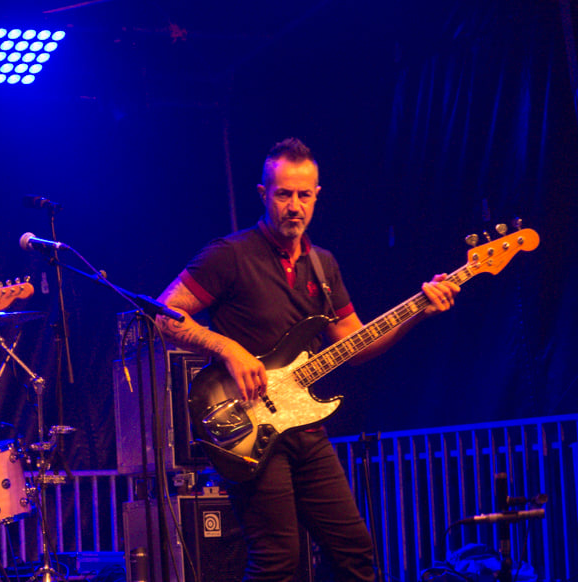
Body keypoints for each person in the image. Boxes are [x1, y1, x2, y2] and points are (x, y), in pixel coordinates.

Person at [156, 138, 459, 581]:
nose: (294, 206)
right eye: (283, 194)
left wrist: (419, 311)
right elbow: (165, 314)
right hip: (249, 427)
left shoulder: (323, 265)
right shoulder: (229, 255)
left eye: (303, 195)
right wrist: (228, 349)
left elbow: (356, 345)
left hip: (304, 427)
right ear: (264, 194)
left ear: (317, 195)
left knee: (354, 550)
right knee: (277, 561)